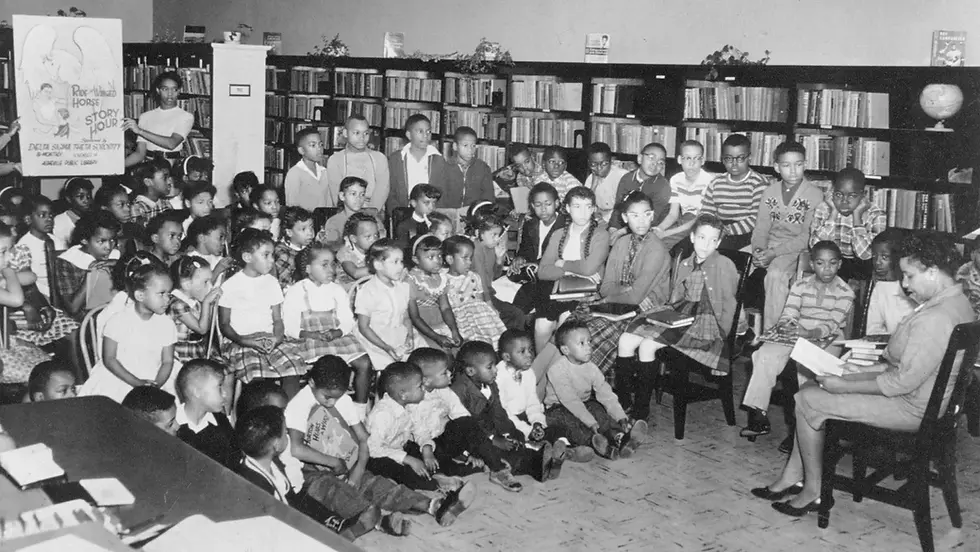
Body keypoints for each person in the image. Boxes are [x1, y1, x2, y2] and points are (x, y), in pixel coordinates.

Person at [755, 232, 976, 516]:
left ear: (932, 272)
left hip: (911, 407)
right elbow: (911, 367)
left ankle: (813, 490)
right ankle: (793, 476)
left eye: (908, 275)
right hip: (926, 399)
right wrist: (857, 371)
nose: (905, 285)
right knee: (812, 387)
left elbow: (899, 383)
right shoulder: (958, 303)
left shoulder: (935, 318)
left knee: (808, 399)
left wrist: (842, 385)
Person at [285, 356, 473, 530]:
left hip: (346, 461)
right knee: (335, 491)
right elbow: (297, 449)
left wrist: (358, 470)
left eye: (338, 396)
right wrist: (332, 462)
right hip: (310, 473)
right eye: (327, 397)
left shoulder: (341, 399)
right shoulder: (298, 405)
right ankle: (377, 520)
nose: (332, 402)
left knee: (376, 484)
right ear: (311, 383)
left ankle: (433, 506)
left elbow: (363, 438)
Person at [617, 214, 737, 420]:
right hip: (682, 315)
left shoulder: (724, 265)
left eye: (712, 240)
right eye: (701, 238)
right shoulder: (684, 263)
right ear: (692, 237)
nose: (706, 245)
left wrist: (722, 341)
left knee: (647, 346)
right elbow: (674, 297)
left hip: (707, 323)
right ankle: (622, 405)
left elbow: (730, 305)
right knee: (625, 340)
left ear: (719, 242)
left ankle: (640, 412)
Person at [741, 241, 854, 442]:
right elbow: (790, 312)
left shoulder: (845, 292)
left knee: (807, 365)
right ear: (812, 264)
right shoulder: (800, 285)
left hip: (830, 338)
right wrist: (787, 324)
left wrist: (810, 333)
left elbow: (831, 324)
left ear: (840, 264)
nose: (826, 269)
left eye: (832, 263)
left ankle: (800, 430)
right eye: (820, 263)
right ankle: (759, 413)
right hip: (798, 333)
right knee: (764, 355)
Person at [235, 405, 381, 541]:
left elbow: (296, 499)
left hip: (286, 519)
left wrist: (337, 522)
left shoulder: (273, 464)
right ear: (277, 445)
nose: (288, 436)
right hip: (273, 536)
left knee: (304, 502)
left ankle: (341, 527)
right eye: (285, 433)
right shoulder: (255, 485)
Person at [578, 191, 671, 394]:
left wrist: (616, 293)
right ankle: (568, 387)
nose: (641, 221)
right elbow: (605, 287)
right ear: (624, 218)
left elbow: (637, 297)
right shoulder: (621, 243)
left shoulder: (657, 249)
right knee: (575, 326)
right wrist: (623, 290)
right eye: (634, 215)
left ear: (653, 215)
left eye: (646, 214)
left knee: (596, 332)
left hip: (645, 310)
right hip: (618, 305)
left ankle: (599, 392)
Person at [450, 341, 561, 489]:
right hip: (469, 438)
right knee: (497, 451)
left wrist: (510, 432)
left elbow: (499, 412)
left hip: (489, 430)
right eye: (490, 367)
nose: (496, 370)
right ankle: (506, 469)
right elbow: (467, 425)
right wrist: (493, 438)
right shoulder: (459, 390)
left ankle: (538, 457)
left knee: (516, 439)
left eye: (495, 365)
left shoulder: (489, 383)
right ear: (470, 371)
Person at [408, 347, 526, 482]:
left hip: (445, 439)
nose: (449, 373)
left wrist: (470, 450)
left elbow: (462, 416)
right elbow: (420, 431)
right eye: (443, 373)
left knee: (467, 423)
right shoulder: (413, 401)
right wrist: (428, 452)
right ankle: (464, 471)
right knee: (449, 467)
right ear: (426, 380)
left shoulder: (444, 391)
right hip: (425, 448)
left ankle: (497, 468)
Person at [218, 228, 308, 397]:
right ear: (247, 257)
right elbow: (224, 324)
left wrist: (277, 338)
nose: (271, 261)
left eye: (272, 255)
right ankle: (258, 415)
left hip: (270, 339)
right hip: (240, 342)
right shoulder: (230, 286)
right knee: (255, 373)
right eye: (265, 255)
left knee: (293, 366)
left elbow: (277, 320)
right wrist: (243, 340)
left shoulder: (272, 282)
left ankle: (288, 415)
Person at [283, 243, 372, 413]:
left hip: (335, 336)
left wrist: (338, 331)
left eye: (333, 264)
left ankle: (360, 408)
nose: (331, 269)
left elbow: (347, 319)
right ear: (308, 268)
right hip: (307, 338)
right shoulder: (296, 291)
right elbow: (289, 325)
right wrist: (309, 334)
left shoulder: (337, 290)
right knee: (292, 367)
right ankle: (292, 412)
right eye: (324, 265)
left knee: (364, 363)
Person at [79, 257, 177, 402]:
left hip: (156, 375)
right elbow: (110, 359)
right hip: (120, 375)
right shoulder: (117, 321)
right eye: (161, 293)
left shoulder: (166, 324)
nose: (167, 299)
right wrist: (137, 384)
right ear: (140, 295)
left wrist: (157, 385)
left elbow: (167, 361)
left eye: (169, 293)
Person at [543, 320, 646, 459]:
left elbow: (606, 394)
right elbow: (570, 401)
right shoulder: (557, 370)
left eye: (589, 342)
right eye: (582, 343)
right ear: (565, 350)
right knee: (572, 423)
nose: (589, 347)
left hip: (584, 404)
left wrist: (620, 416)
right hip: (557, 408)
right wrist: (590, 421)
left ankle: (619, 437)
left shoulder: (591, 367)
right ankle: (598, 445)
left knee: (599, 410)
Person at [751, 140, 824, 330]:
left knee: (776, 275)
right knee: (733, 263)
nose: (793, 171)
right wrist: (759, 251)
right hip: (767, 245)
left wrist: (773, 253)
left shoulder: (814, 194)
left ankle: (772, 330)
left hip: (795, 249)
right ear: (776, 167)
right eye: (786, 165)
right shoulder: (769, 192)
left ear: (805, 164)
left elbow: (806, 237)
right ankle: (739, 325)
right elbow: (761, 228)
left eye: (798, 164)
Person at [495, 330, 594, 462]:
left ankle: (565, 449)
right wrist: (528, 430)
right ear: (507, 357)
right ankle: (541, 451)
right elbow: (503, 413)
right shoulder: (498, 377)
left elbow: (532, 402)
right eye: (522, 352)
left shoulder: (528, 373)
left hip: (524, 416)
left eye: (530, 350)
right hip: (506, 420)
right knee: (515, 438)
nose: (529, 355)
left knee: (556, 429)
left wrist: (537, 423)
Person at [534, 187, 610, 353]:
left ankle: (559, 369)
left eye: (587, 206)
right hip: (558, 289)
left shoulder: (601, 235)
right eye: (577, 206)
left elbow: (589, 268)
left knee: (565, 324)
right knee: (541, 325)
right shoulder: (558, 234)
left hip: (586, 295)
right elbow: (543, 271)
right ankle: (539, 370)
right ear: (567, 208)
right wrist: (572, 271)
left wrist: (563, 263)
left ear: (593, 209)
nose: (583, 212)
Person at [366, 361, 457, 492]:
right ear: (403, 394)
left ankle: (441, 473)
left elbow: (420, 429)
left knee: (432, 452)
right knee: (397, 469)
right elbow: (373, 449)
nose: (424, 389)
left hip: (401, 448)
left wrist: (426, 448)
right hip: (379, 456)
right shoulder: (382, 415)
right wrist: (407, 459)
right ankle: (432, 484)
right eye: (420, 386)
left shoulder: (409, 404)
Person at [353, 239, 426, 369]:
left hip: (400, 333)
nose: (401, 267)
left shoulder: (403, 288)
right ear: (378, 265)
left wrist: (409, 336)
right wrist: (386, 347)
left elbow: (406, 318)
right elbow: (363, 327)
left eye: (401, 261)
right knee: (394, 368)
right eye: (395, 262)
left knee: (424, 359)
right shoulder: (368, 291)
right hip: (375, 339)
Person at [809, 168, 887, 282]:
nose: (844, 201)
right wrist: (833, 215)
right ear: (832, 192)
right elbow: (815, 246)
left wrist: (857, 218)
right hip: (832, 265)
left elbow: (864, 254)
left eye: (852, 196)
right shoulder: (824, 208)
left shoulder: (876, 214)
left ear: (863, 195)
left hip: (863, 268)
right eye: (839, 194)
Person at [699, 134, 771, 250]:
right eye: (728, 158)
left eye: (740, 158)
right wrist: (710, 228)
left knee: (719, 249)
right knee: (688, 245)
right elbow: (706, 211)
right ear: (722, 159)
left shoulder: (758, 183)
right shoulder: (716, 182)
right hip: (719, 226)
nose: (734, 163)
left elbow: (756, 218)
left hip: (745, 230)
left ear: (749, 158)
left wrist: (728, 230)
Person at [53, 210, 121, 319]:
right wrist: (90, 275)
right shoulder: (68, 261)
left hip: (115, 313)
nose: (108, 246)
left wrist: (120, 266)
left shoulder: (115, 256)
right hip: (86, 318)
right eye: (101, 241)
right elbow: (73, 308)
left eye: (112, 240)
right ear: (84, 240)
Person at [510, 183, 567, 311]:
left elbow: (561, 256)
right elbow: (525, 249)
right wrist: (520, 258)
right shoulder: (530, 225)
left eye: (548, 204)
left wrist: (536, 265)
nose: (543, 209)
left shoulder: (565, 226)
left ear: (557, 203)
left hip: (553, 277)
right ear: (532, 206)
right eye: (538, 205)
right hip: (531, 276)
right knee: (516, 307)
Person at [174, 359, 239, 470]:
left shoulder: (221, 422)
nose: (225, 393)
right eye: (219, 387)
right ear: (197, 392)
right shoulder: (173, 427)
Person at [443, 236, 507, 347]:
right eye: (465, 258)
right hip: (462, 322)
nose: (469, 262)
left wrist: (493, 310)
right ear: (450, 259)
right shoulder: (444, 281)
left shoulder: (475, 277)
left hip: (482, 318)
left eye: (471, 258)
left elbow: (481, 299)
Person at [122, 71, 195, 167]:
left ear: (179, 91)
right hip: (148, 166)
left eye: (174, 89)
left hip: (170, 167)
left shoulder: (186, 116)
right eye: (165, 89)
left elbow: (171, 144)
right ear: (158, 90)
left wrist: (140, 131)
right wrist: (117, 168)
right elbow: (140, 154)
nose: (170, 94)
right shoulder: (145, 117)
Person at [406, 235, 462, 349]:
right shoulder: (411, 281)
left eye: (440, 255)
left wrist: (454, 330)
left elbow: (445, 307)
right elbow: (415, 317)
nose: (438, 261)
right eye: (431, 257)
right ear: (416, 259)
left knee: (459, 348)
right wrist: (436, 337)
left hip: (439, 322)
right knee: (442, 355)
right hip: (420, 327)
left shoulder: (440, 278)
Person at [657, 140, 714, 250]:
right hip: (683, 220)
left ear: (702, 161)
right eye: (688, 158)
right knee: (652, 238)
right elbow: (673, 214)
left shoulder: (708, 181)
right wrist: (659, 229)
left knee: (663, 243)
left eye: (696, 158)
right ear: (679, 160)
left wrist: (666, 233)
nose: (692, 163)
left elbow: (698, 219)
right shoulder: (676, 180)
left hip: (702, 222)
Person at [326, 115, 390, 211]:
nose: (362, 138)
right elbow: (337, 193)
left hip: (374, 212)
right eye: (356, 133)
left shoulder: (379, 158)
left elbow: (383, 189)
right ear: (345, 133)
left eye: (366, 133)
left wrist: (372, 211)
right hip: (346, 212)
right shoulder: (335, 160)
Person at [387, 114, 449, 213]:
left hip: (430, 213)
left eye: (428, 131)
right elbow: (391, 192)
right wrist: (397, 214)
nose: (425, 135)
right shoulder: (396, 159)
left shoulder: (438, 160)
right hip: (403, 213)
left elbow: (442, 192)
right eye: (420, 131)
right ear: (408, 135)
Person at [438, 126, 494, 231]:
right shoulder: (443, 167)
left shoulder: (483, 168)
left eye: (473, 146)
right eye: (465, 145)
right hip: (447, 219)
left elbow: (488, 198)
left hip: (475, 220)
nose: (470, 150)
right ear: (455, 146)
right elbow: (440, 198)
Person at [168, 256, 222, 365]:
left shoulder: (194, 301)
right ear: (187, 285)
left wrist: (211, 304)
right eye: (206, 282)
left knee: (226, 370)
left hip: (197, 349)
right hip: (182, 355)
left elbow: (208, 324)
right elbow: (201, 329)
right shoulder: (177, 304)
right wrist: (206, 303)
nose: (210, 287)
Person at [609, 143, 670, 231]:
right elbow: (618, 208)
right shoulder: (626, 179)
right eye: (651, 158)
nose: (655, 164)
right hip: (627, 224)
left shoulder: (663, 186)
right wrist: (613, 228)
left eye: (660, 162)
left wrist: (622, 231)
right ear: (640, 158)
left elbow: (651, 219)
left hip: (649, 229)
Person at [867, 228, 915, 335]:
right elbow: (873, 330)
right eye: (874, 256)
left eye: (885, 257)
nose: (877, 262)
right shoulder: (880, 288)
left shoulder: (914, 287)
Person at [317, 176, 385, 248]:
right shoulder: (334, 222)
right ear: (342, 196)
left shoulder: (372, 219)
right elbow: (332, 246)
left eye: (362, 194)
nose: (358, 198)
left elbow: (382, 240)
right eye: (353, 194)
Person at [18, 195, 65, 299]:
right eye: (42, 215)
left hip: (60, 291)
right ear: (28, 219)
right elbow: (29, 283)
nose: (49, 219)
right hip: (38, 294)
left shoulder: (57, 241)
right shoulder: (23, 245)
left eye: (51, 215)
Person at [285, 127, 330, 211]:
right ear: (301, 150)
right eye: (313, 145)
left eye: (321, 144)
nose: (319, 149)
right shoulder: (295, 173)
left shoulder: (324, 172)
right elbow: (291, 205)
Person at [584, 142, 628, 223]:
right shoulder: (590, 178)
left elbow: (624, 206)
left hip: (619, 218)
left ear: (611, 161)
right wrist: (593, 187)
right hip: (599, 217)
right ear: (588, 163)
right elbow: (584, 204)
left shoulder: (622, 177)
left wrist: (605, 219)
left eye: (604, 164)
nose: (599, 168)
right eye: (593, 164)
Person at [273, 206, 314, 289]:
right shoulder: (283, 255)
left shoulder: (310, 245)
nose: (310, 233)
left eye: (311, 227)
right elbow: (284, 286)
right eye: (303, 229)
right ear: (289, 232)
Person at [336, 213, 379, 291]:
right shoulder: (346, 252)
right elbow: (355, 273)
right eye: (368, 236)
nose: (373, 239)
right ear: (353, 238)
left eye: (376, 235)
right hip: (347, 293)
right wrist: (380, 267)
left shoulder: (375, 250)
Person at [94, 184, 140, 257]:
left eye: (128, 204)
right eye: (121, 205)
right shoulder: (98, 236)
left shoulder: (132, 230)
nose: (128, 209)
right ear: (104, 208)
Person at [185, 215, 232, 281]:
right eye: (220, 237)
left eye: (224, 238)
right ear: (202, 238)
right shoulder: (189, 261)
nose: (223, 243)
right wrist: (217, 270)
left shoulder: (219, 260)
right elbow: (200, 288)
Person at [130, 161, 173, 228]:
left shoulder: (166, 203)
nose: (170, 181)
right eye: (165, 178)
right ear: (148, 182)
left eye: (169, 177)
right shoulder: (137, 208)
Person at [52, 177, 93, 246]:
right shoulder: (59, 222)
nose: (86, 200)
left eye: (89, 196)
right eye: (81, 196)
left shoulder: (94, 218)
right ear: (69, 199)